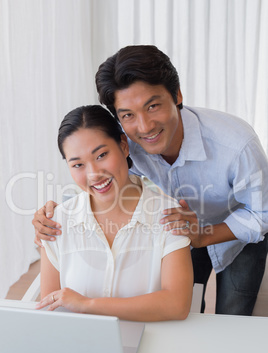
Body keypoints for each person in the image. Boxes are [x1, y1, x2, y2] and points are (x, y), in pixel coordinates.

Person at [33, 45, 268, 315]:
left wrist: (205, 236)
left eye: (153, 106)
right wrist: (56, 213)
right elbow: (98, 173)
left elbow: (262, 213)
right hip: (179, 229)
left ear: (177, 95)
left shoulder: (236, 145)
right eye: (128, 115)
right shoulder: (124, 139)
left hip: (237, 232)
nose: (144, 127)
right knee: (190, 310)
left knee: (234, 311)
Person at [35, 104, 193, 321]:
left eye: (101, 155)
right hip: (80, 348)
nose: (94, 174)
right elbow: (50, 310)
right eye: (78, 164)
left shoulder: (170, 214)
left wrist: (87, 305)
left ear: (123, 146)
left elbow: (177, 305)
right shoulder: (56, 222)